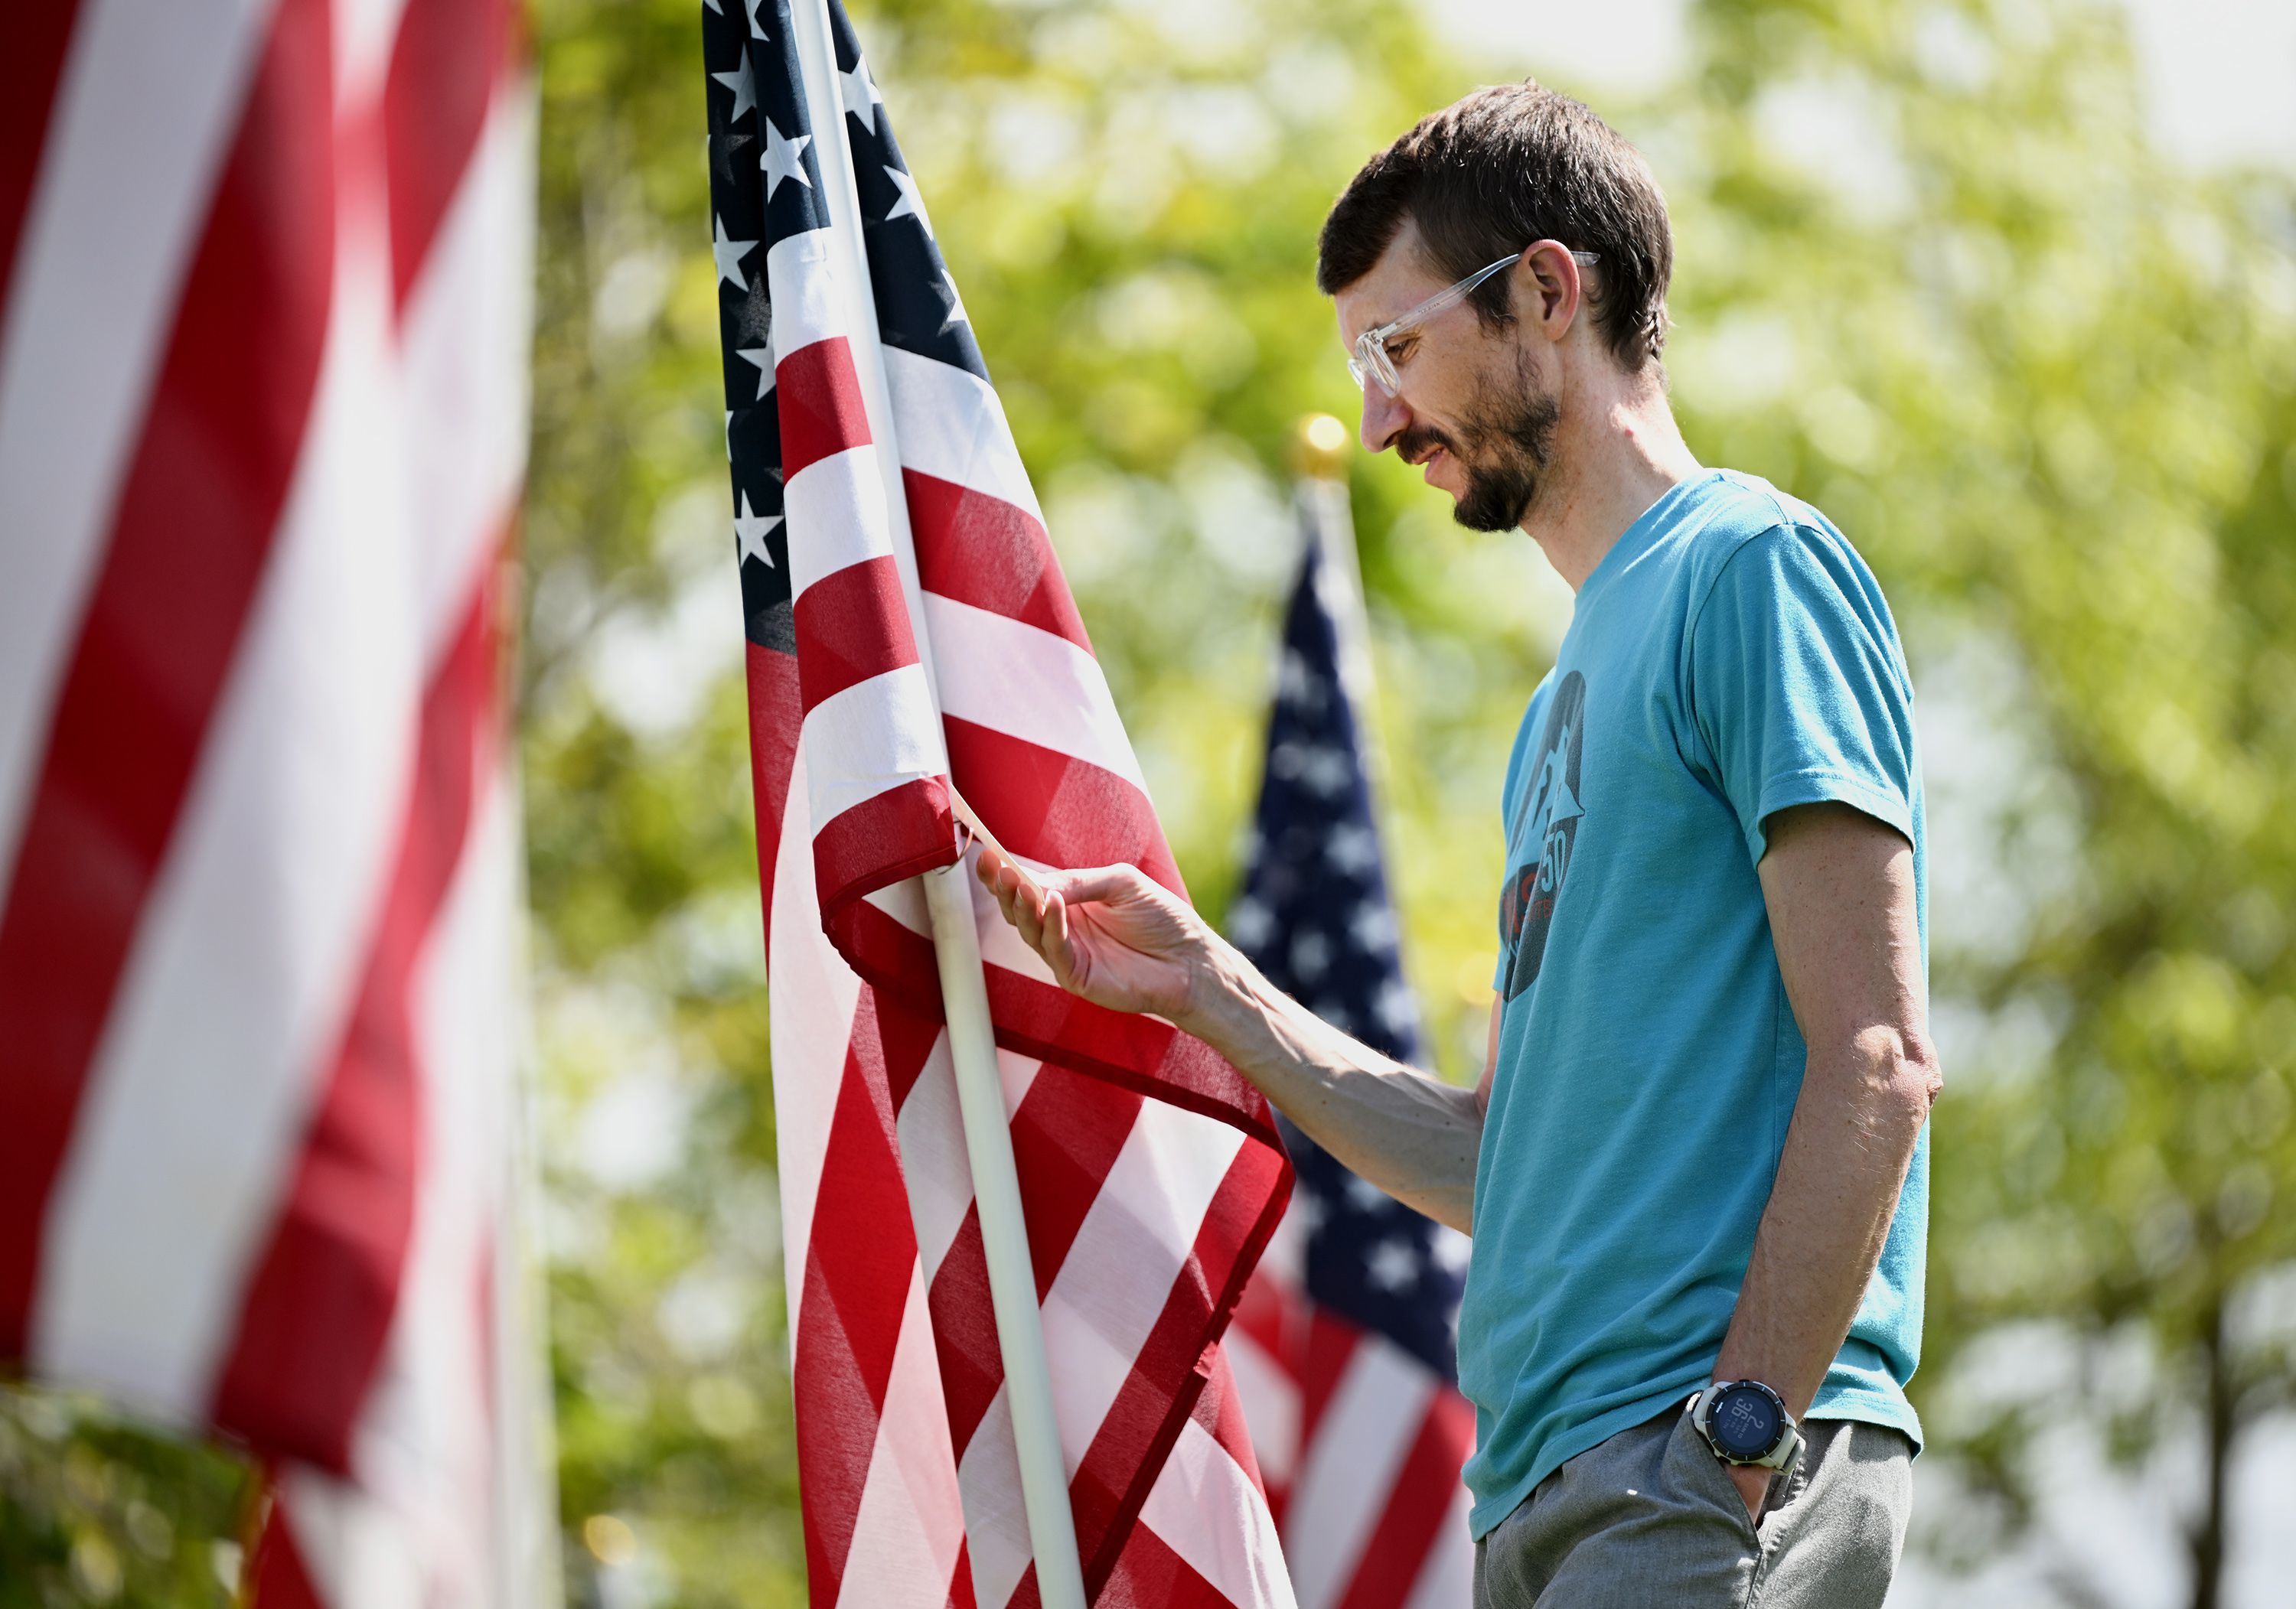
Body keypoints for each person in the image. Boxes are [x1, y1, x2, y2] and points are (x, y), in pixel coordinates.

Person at [977, 80, 1938, 1608]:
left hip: (1692, 1470)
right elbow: (1509, 1162)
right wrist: (1216, 989)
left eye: (1397, 345)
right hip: (1552, 1484)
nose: (1376, 416)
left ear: (1550, 292)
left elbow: (1878, 1052)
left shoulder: (1753, 572)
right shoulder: (1562, 698)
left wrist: (1733, 1438)